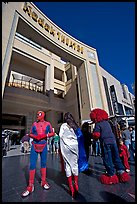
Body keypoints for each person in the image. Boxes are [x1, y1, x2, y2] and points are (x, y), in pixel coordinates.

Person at [90, 108, 130, 185]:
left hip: (105, 142)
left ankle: (111, 175)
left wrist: (93, 135)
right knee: (116, 157)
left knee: (107, 158)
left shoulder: (98, 124)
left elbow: (97, 135)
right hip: (113, 141)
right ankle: (121, 173)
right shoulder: (107, 122)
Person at [22, 111, 55, 197]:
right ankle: (30, 185)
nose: (37, 116)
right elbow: (30, 133)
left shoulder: (48, 124)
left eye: (39, 114)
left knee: (43, 164)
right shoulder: (34, 124)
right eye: (37, 114)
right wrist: (35, 137)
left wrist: (45, 136)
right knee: (32, 165)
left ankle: (43, 181)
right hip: (35, 145)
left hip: (43, 145)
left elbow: (52, 133)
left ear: (43, 115)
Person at [59, 112, 88, 198]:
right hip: (75, 147)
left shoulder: (63, 125)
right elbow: (80, 136)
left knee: (67, 165)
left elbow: (60, 135)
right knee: (74, 165)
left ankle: (71, 187)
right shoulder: (75, 125)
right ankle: (76, 184)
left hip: (65, 147)